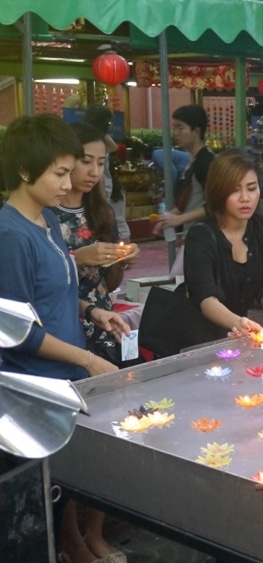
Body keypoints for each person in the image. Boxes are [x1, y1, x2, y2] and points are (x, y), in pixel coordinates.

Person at [0, 114, 130, 563]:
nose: (67, 180)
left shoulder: (49, 221)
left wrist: (93, 311)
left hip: (67, 373)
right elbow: (17, 331)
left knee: (76, 478)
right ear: (23, 170)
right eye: (58, 172)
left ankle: (76, 545)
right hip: (34, 384)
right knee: (43, 497)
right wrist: (89, 360)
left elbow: (54, 294)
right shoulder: (10, 235)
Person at [54, 122, 142, 368]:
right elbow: (40, 281)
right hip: (64, 327)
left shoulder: (101, 213)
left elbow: (109, 284)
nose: (94, 171)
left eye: (101, 163)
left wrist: (121, 260)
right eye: (86, 161)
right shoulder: (48, 214)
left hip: (105, 322)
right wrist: (78, 258)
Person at [184, 149, 263, 338]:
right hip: (198, 337)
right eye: (234, 190)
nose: (245, 198)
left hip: (241, 336)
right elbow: (206, 299)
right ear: (219, 191)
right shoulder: (200, 236)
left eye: (251, 188)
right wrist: (237, 322)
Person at [156, 104, 214, 235]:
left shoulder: (206, 162)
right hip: (193, 233)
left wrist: (180, 219)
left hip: (205, 234)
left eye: (180, 127)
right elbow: (186, 198)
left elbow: (215, 205)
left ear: (196, 131)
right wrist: (168, 219)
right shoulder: (193, 159)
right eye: (174, 127)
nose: (175, 133)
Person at [83, 105, 130, 242]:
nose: (109, 125)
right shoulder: (92, 140)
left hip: (108, 184)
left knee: (115, 219)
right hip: (102, 185)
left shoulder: (100, 138)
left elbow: (114, 147)